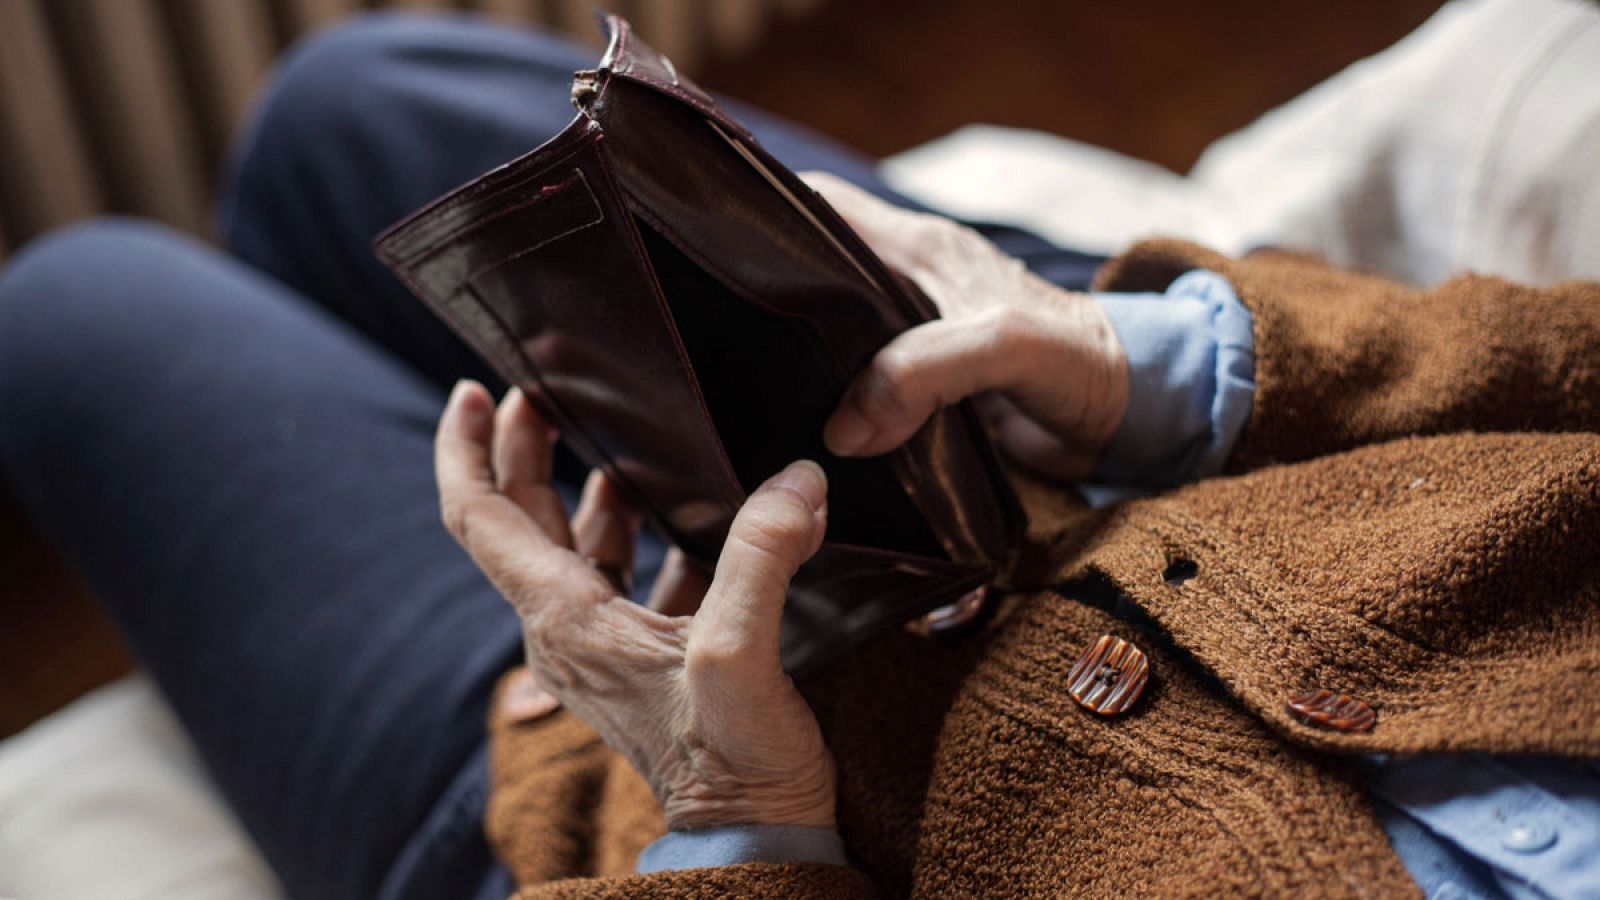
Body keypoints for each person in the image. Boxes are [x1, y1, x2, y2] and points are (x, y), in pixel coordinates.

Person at [0, 9, 1596, 900]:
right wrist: (1165, 368)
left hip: (637, 809)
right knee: (344, 110)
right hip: (1142, 418)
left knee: (76, 313)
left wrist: (730, 809)